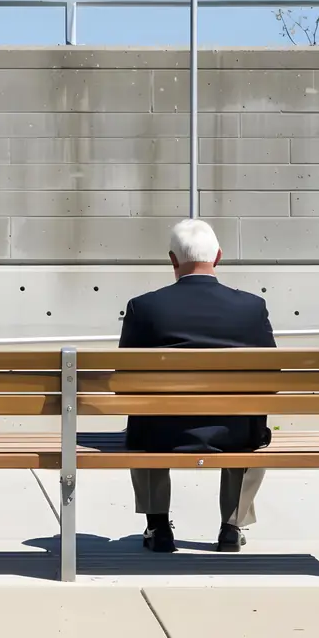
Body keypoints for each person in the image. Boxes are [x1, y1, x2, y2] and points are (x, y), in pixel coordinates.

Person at [119, 218, 275, 554]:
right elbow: (271, 379)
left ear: (173, 260)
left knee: (144, 421)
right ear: (218, 256)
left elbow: (124, 382)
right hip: (234, 434)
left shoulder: (143, 307)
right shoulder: (252, 307)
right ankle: (231, 527)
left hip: (161, 434)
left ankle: (158, 527)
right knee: (250, 421)